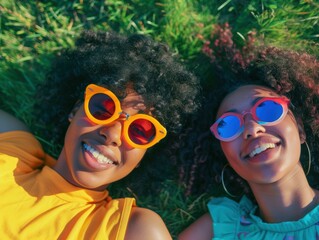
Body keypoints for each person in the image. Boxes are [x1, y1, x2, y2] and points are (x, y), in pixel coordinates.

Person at [0, 30, 200, 239]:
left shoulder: (132, 229)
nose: (113, 134)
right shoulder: (15, 151)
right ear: (76, 108)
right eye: (103, 108)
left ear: (144, 155)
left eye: (139, 130)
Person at [178, 47, 319, 239]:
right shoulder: (217, 230)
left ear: (300, 129)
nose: (252, 129)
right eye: (227, 126)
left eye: (268, 110)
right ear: (224, 154)